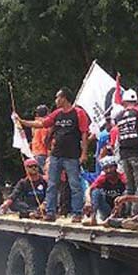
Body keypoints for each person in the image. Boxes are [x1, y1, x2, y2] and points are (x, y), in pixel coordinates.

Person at [15, 87, 89, 223]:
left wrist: (84, 153)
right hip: (56, 154)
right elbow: (41, 123)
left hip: (72, 155)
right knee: (52, 184)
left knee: (75, 184)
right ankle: (50, 212)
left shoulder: (78, 113)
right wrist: (22, 121)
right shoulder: (57, 114)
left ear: (64, 98)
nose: (55, 100)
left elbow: (84, 134)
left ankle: (77, 213)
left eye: (57, 97)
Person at [111, 88, 138, 211]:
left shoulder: (119, 116)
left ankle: (126, 212)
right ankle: (135, 214)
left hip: (124, 155)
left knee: (129, 186)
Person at [84, 156, 126, 225]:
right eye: (106, 168)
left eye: (111, 167)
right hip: (107, 209)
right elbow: (89, 189)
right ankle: (93, 216)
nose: (109, 170)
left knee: (126, 193)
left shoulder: (122, 178)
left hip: (121, 208)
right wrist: (88, 201)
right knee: (96, 192)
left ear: (115, 167)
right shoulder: (103, 178)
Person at [31, 104, 52, 173]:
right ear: (48, 113)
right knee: (46, 175)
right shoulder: (44, 124)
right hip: (42, 153)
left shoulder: (34, 124)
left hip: (35, 152)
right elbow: (45, 140)